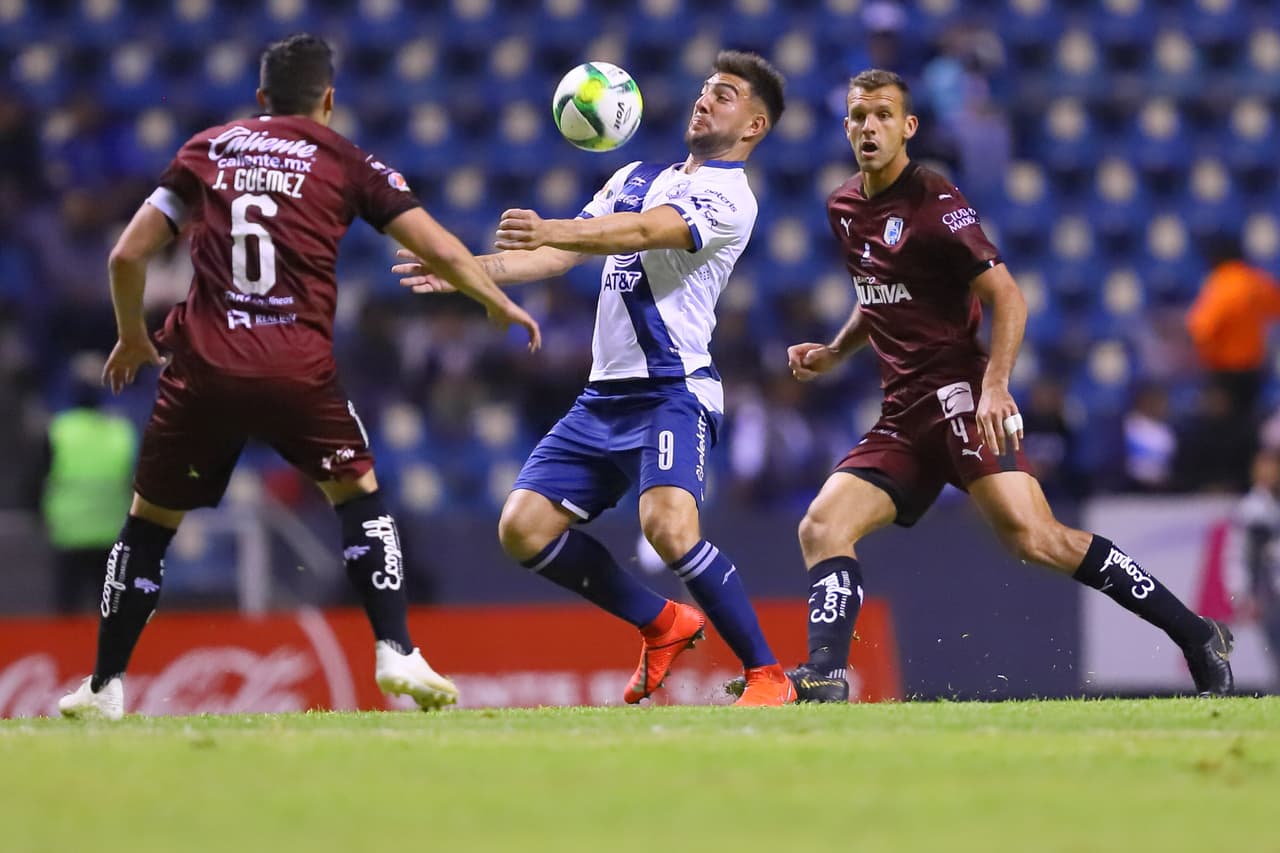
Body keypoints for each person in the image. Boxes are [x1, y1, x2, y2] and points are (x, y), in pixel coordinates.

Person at [58, 34, 541, 720]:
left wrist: (133, 336)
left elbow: (125, 255)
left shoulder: (208, 149)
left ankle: (104, 685)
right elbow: (436, 245)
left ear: (261, 98)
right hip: (296, 366)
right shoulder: (346, 159)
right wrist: (497, 301)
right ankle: (396, 649)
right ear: (329, 99)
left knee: (150, 524)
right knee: (357, 495)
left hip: (204, 366)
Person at [730, 69, 1234, 702]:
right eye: (859, 116)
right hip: (903, 414)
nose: (869, 127)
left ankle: (1197, 634)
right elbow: (879, 292)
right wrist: (835, 350)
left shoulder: (935, 201)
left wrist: (995, 386)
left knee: (1034, 538)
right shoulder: (844, 207)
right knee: (822, 526)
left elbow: (1008, 296)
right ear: (846, 126)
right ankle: (827, 675)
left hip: (961, 401)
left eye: (883, 115)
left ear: (908, 127)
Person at [396, 51, 796, 706]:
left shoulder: (731, 199)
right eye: (704, 88)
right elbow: (557, 255)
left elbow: (638, 232)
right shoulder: (635, 175)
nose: (704, 100)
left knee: (669, 527)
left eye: (724, 95)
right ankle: (662, 622)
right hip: (603, 396)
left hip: (672, 390)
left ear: (754, 126)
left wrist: (554, 226)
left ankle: (767, 675)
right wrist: (469, 271)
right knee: (523, 527)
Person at [40, 354, 137, 614]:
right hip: (110, 531)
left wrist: (40, 514)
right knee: (109, 611)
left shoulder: (58, 430)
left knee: (67, 607)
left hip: (68, 532)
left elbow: (39, 477)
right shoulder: (121, 431)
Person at [1185, 232, 1280, 418]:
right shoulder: (1258, 280)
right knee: (1248, 417)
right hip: (1254, 365)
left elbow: (1201, 329)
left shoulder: (1222, 283)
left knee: (1225, 420)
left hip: (1225, 367)